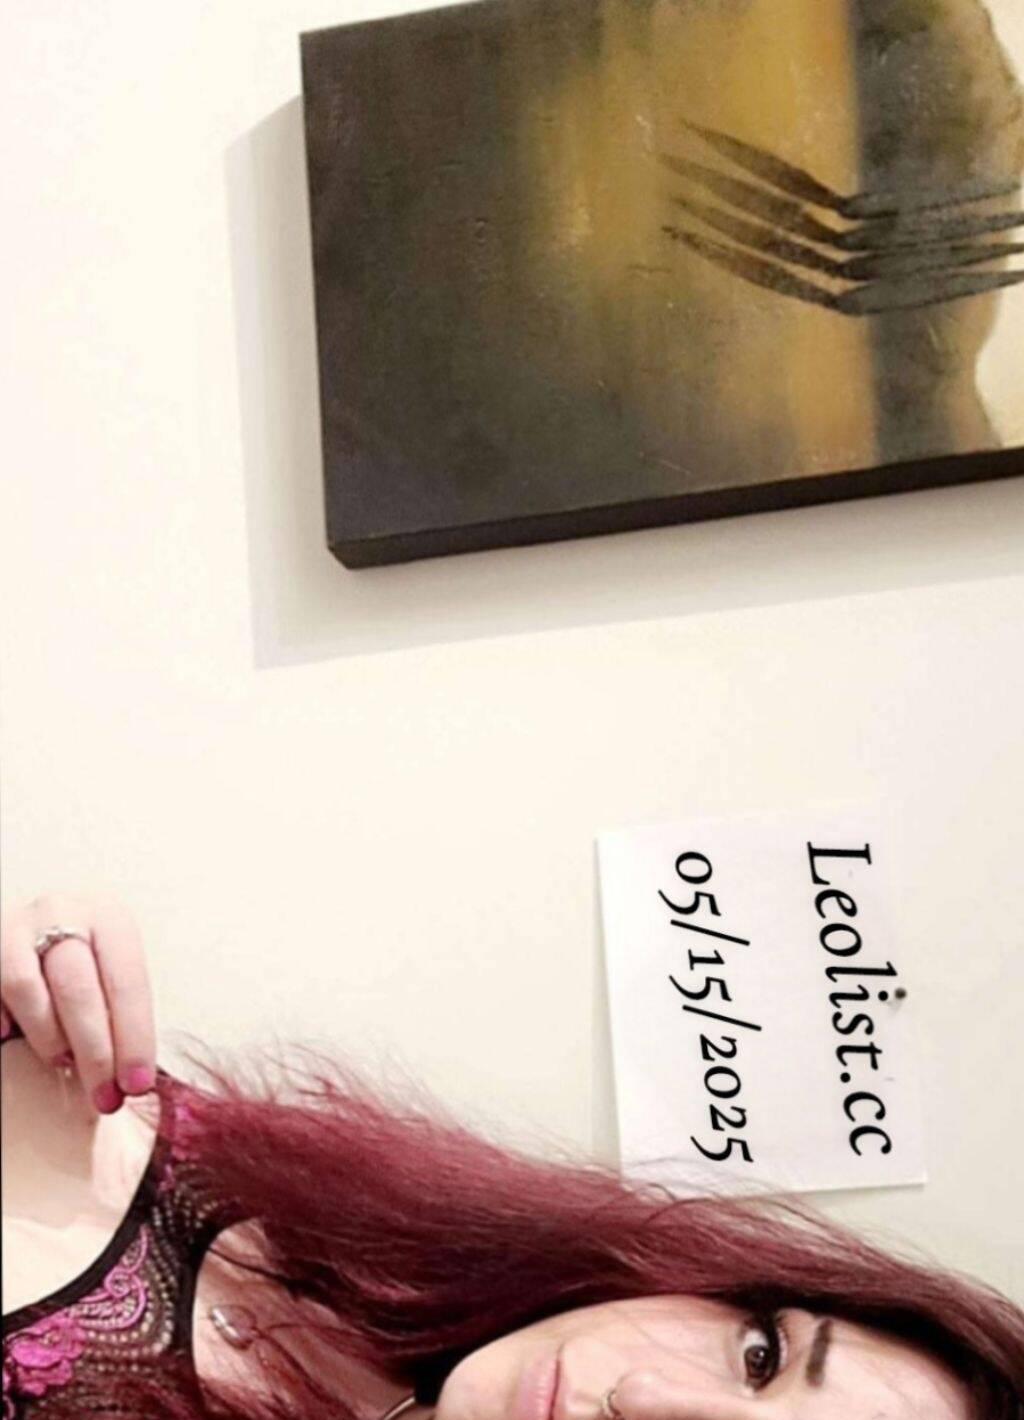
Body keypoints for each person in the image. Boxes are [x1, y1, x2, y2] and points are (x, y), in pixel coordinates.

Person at [2, 895, 1023, 1420]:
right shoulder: (315, 1228)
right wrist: (40, 970)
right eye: (758, 1355)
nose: (644, 1402)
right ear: (729, 1286)